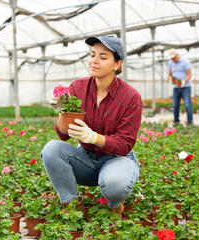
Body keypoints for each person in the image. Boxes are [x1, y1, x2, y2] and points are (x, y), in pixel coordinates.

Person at [41, 35, 142, 218]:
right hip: (86, 159)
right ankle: (72, 207)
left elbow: (125, 144)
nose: (94, 60)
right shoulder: (78, 88)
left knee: (115, 184)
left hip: (117, 159)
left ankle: (114, 204)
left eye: (103, 57)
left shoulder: (130, 97)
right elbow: (63, 135)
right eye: (92, 54)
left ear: (117, 64)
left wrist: (94, 137)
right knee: (51, 149)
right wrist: (61, 112)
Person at [168, 48, 193, 126]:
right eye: (171, 58)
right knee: (175, 105)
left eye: (173, 58)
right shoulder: (170, 63)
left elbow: (189, 74)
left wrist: (183, 82)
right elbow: (169, 74)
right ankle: (176, 122)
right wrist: (171, 80)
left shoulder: (185, 62)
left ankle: (190, 123)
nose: (172, 59)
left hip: (186, 87)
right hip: (176, 87)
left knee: (187, 105)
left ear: (177, 55)